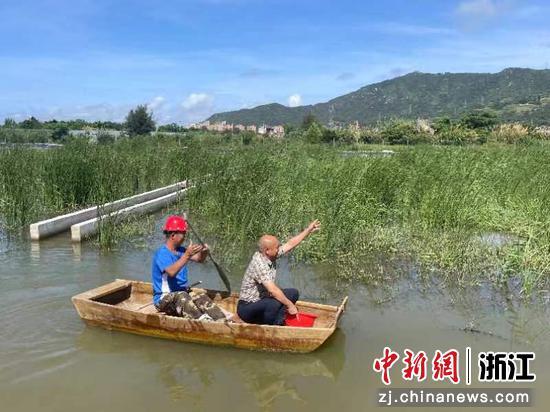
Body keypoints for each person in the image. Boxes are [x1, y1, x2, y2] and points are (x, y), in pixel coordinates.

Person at [237, 220, 321, 325]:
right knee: (273, 302)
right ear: (267, 250)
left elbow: (290, 244)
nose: (278, 249)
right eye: (277, 247)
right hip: (247, 308)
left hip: (262, 300)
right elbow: (273, 291)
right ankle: (272, 325)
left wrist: (308, 230)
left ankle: (278, 318)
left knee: (293, 293)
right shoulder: (259, 263)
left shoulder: (271, 254)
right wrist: (290, 305)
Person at [151, 215, 225, 321]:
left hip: (182, 294)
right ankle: (202, 321)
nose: (184, 237)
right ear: (173, 235)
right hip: (164, 299)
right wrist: (187, 255)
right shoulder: (162, 253)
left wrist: (204, 252)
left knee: (201, 297)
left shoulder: (180, 250)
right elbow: (171, 272)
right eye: (183, 234)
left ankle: (221, 319)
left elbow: (199, 259)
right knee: (181, 296)